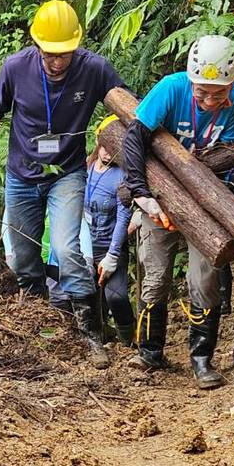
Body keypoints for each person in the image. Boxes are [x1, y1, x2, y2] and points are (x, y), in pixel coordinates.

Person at [0, 0, 126, 368]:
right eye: (50, 54)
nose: (57, 62)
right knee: (23, 255)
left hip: (68, 173)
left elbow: (125, 106)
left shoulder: (94, 69)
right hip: (22, 174)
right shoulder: (15, 67)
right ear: (37, 45)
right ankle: (39, 318)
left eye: (65, 54)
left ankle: (90, 330)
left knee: (67, 248)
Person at [121, 35, 234, 386]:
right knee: (156, 274)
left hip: (204, 202)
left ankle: (202, 359)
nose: (209, 101)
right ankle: (148, 351)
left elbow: (231, 155)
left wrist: (227, 195)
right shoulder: (170, 89)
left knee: (205, 278)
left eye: (217, 93)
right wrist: (141, 193)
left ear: (232, 84)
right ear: (191, 81)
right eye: (201, 92)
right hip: (159, 192)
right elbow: (133, 138)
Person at [86, 115, 135, 344]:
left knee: (116, 296)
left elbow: (124, 216)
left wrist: (113, 255)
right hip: (86, 245)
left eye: (114, 148)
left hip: (110, 246)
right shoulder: (84, 169)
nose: (108, 153)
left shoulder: (122, 175)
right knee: (90, 299)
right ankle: (99, 337)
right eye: (105, 146)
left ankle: (128, 340)